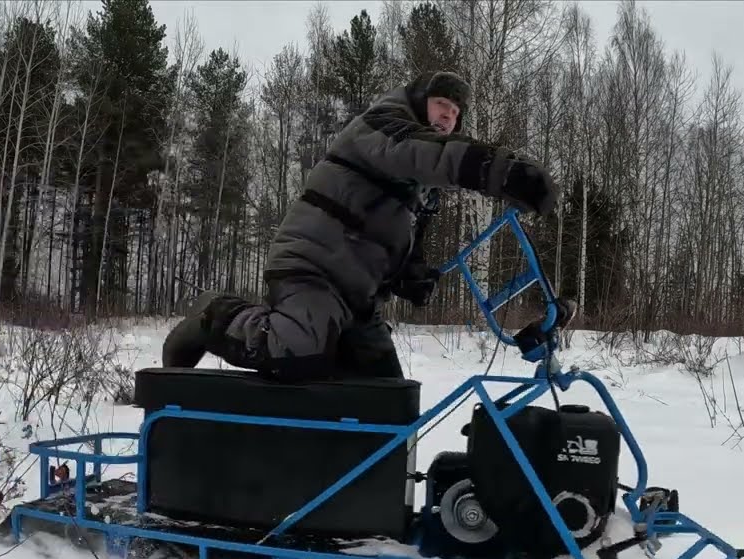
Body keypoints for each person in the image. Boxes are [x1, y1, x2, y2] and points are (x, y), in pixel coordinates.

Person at [161, 70, 558, 381]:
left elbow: (400, 235)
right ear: (420, 102)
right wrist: (500, 171)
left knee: (386, 399)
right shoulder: (382, 126)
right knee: (297, 349)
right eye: (441, 105)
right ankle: (211, 316)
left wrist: (410, 273)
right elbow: (425, 153)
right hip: (313, 269)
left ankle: (355, 479)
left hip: (358, 298)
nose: (447, 118)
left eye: (454, 115)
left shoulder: (415, 186)